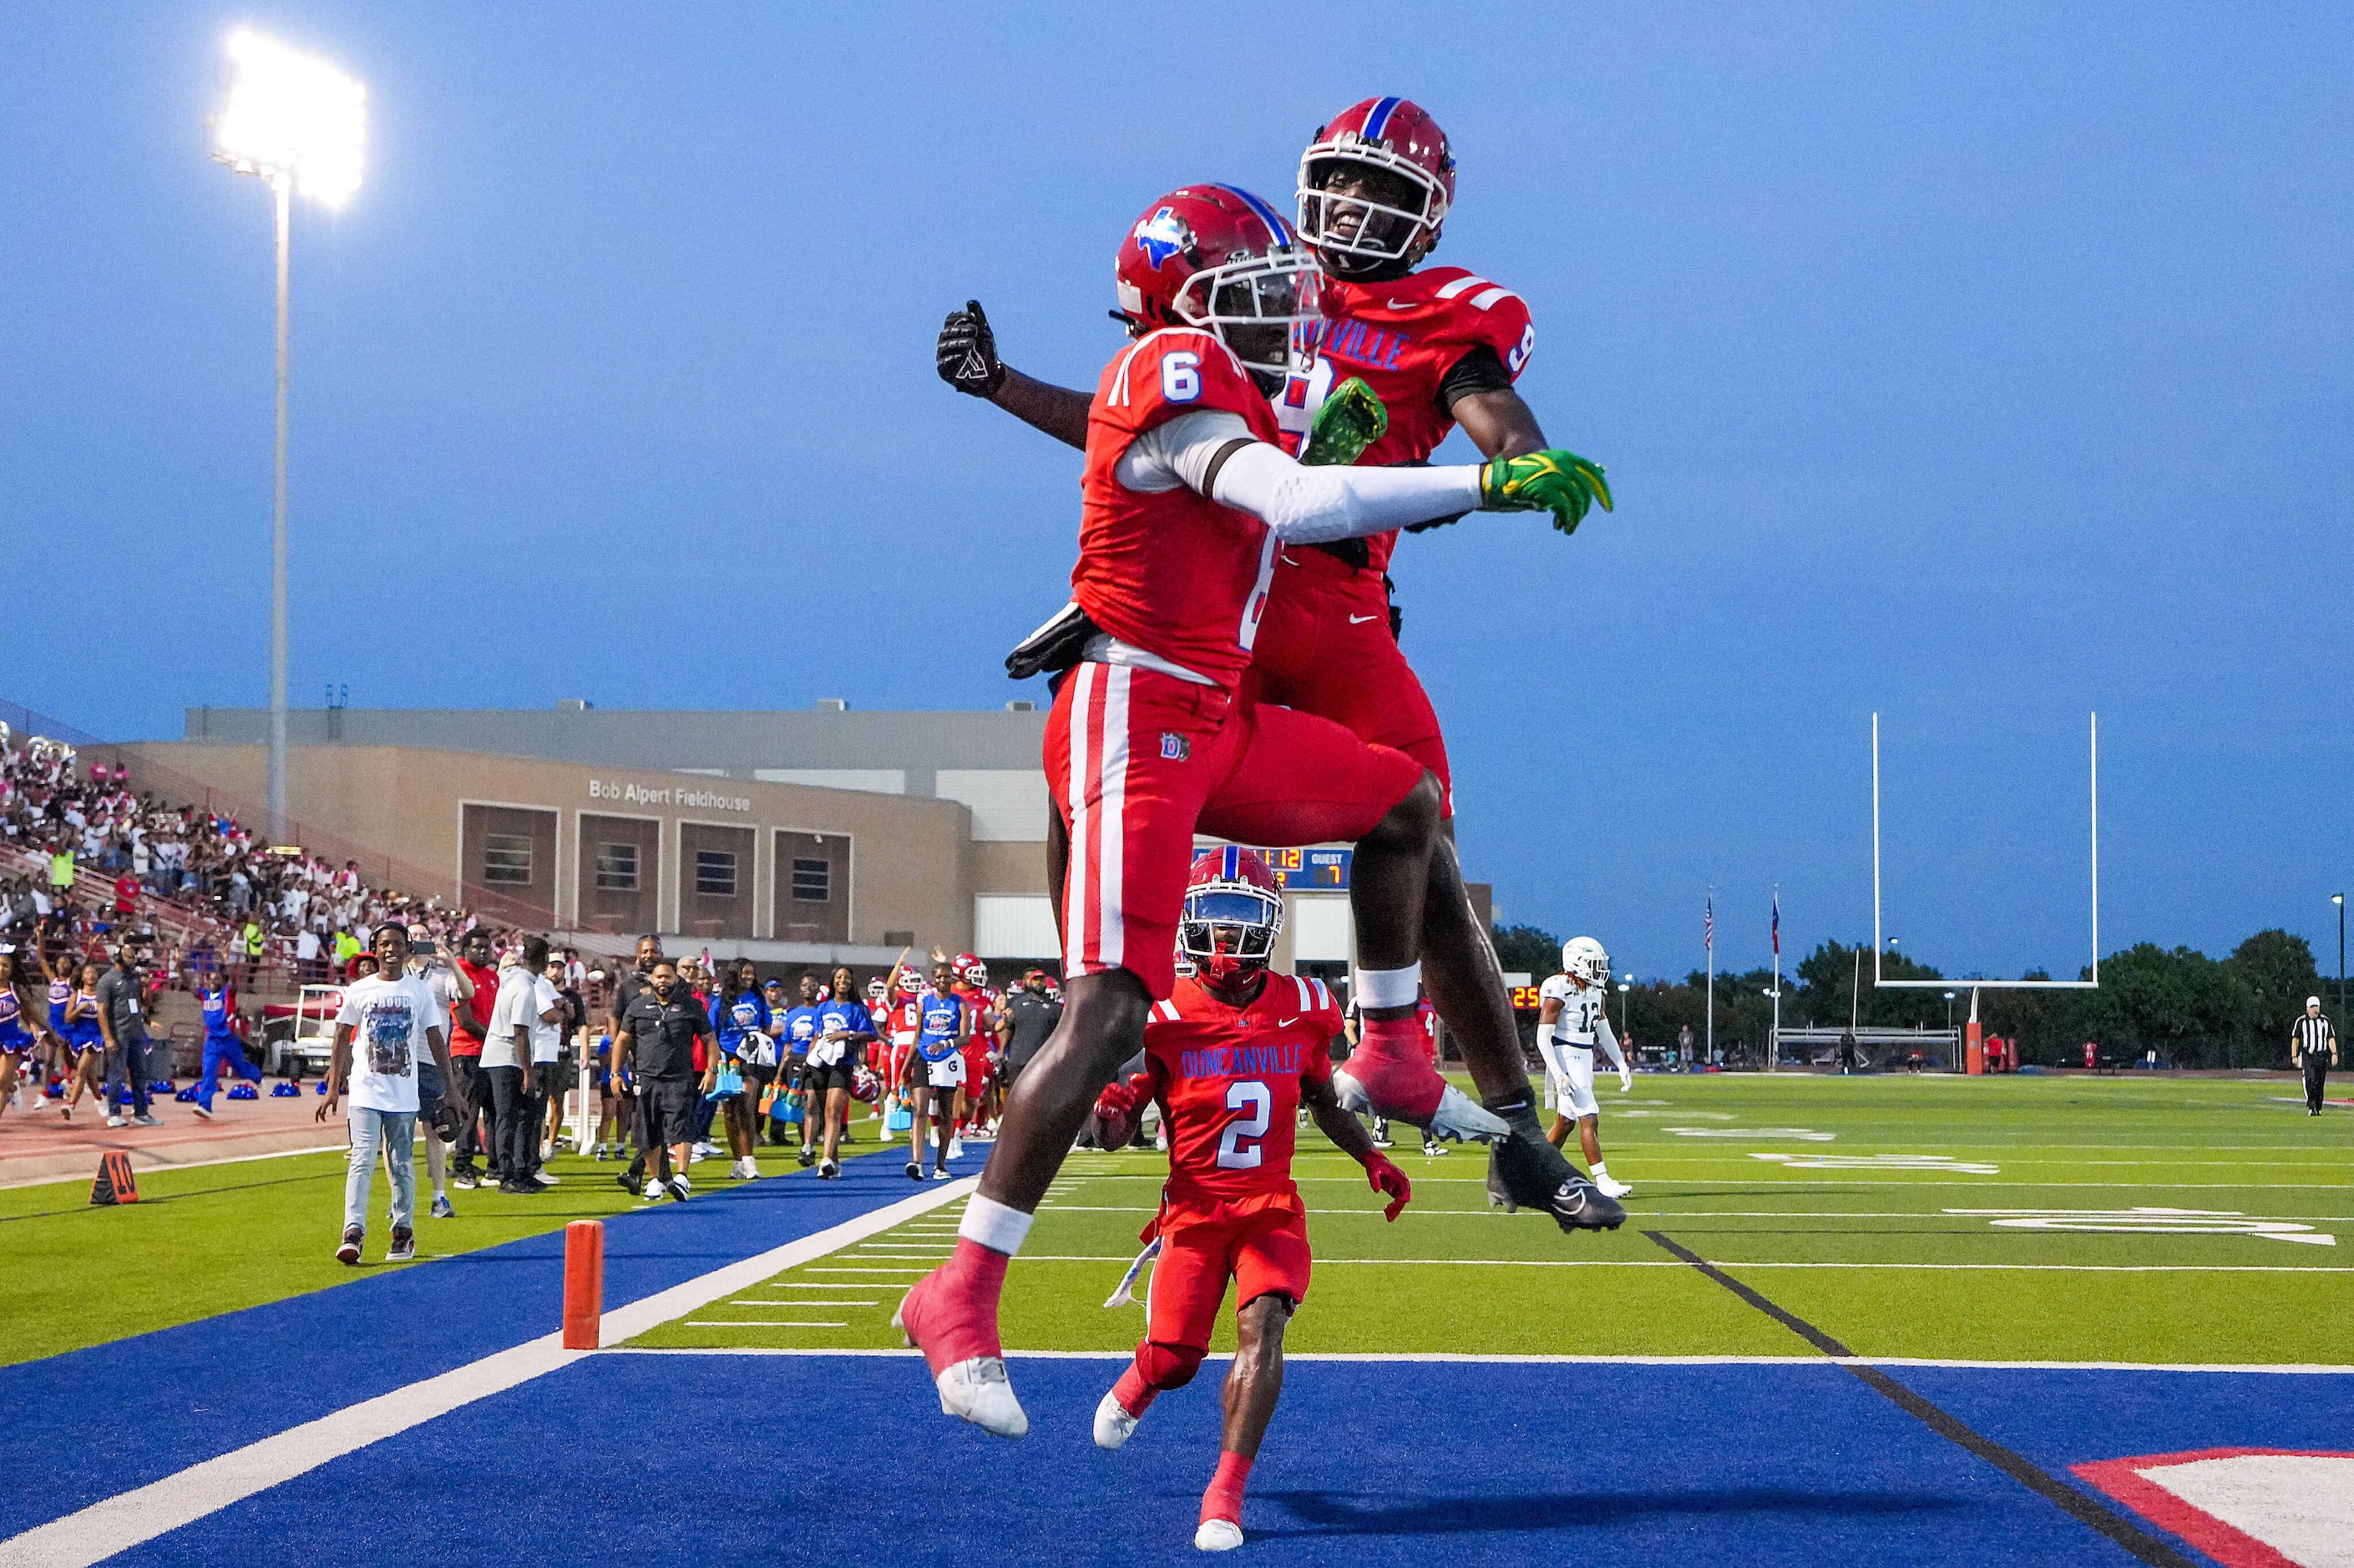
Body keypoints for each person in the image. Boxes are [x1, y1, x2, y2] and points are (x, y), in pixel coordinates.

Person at [898, 183, 1617, 1439]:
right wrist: (1480, 488)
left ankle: (1393, 1049)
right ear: (1179, 309)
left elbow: (1293, 462)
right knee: (1109, 1006)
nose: (1285, 319)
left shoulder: (1224, 372)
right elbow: (1296, 502)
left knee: (1402, 805)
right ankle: (959, 1289)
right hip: (1136, 715)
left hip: (1213, 710)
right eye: (1251, 299)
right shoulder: (1169, 367)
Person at [1082, 851, 1411, 1549]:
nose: (1226, 938)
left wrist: (1370, 1156)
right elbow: (1109, 1135)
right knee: (1176, 1360)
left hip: (1269, 1207)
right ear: (1188, 923)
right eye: (1212, 918)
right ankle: (1142, 1378)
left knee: (1264, 1324)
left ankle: (1224, 1495)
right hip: (1194, 1213)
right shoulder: (1159, 1013)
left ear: (1269, 926)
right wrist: (1108, 1114)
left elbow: (1322, 1099)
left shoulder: (1303, 1007)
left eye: (1240, 920)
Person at [317, 924, 454, 1265]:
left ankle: (403, 1231)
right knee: (362, 1160)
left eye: (396, 944)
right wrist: (334, 1087)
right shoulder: (360, 990)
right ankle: (353, 1232)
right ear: (375, 950)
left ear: (408, 948)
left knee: (402, 1164)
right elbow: (341, 1036)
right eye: (383, 944)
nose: (390, 950)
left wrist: (451, 1089)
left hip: (403, 1095)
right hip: (365, 1092)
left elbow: (436, 1040)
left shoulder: (418, 991)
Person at [1530, 938, 1633, 1200]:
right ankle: (1603, 1180)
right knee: (1589, 1116)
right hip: (1565, 1054)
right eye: (1593, 964)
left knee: (1565, 1123)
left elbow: (1604, 1032)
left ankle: (1533, 1174)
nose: (1599, 969)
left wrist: (1621, 1063)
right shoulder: (1559, 987)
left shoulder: (1595, 990)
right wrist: (1559, 1073)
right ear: (1577, 963)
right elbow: (1543, 1037)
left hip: (1584, 1057)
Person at [613, 959, 716, 1201]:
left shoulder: (690, 1006)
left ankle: (682, 1177)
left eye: (667, 977)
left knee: (681, 1127)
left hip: (679, 1077)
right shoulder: (638, 1006)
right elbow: (622, 1040)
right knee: (648, 1130)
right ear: (652, 979)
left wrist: (712, 1071)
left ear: (675, 980)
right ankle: (655, 1180)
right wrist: (615, 1074)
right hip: (647, 1077)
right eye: (659, 977)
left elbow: (710, 1040)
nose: (663, 981)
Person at [483, 936, 562, 1195]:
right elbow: (520, 1032)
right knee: (508, 1117)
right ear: (542, 959)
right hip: (506, 1057)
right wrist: (527, 1071)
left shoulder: (514, 980)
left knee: (512, 1116)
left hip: (501, 1055)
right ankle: (507, 1176)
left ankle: (520, 1172)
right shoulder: (525, 988)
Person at [406, 924, 472, 1217]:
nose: (418, 940)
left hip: (432, 1062)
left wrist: (452, 962)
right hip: (400, 1063)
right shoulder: (397, 976)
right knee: (396, 1132)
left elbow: (467, 993)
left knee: (436, 1129)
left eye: (423, 936)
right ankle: (401, 1198)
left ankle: (439, 1196)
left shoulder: (442, 975)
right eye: (413, 936)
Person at [807, 965, 876, 1178]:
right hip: (820, 1063)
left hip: (843, 1063)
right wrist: (807, 1064)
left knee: (832, 1112)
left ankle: (825, 1160)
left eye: (847, 978)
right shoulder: (823, 1007)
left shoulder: (857, 1008)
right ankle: (833, 1160)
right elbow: (817, 1036)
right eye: (839, 977)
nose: (843, 981)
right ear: (833, 981)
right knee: (821, 1112)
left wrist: (848, 1034)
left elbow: (871, 1034)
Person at [444, 930, 500, 1188]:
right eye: (477, 947)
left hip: (491, 1052)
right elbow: (464, 1020)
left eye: (486, 948)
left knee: (493, 1110)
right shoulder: (459, 975)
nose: (482, 952)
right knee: (468, 1110)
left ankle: (495, 1165)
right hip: (467, 1051)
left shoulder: (492, 977)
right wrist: (495, 1038)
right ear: (465, 950)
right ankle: (462, 1166)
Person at [907, 959, 968, 1181]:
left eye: (946, 976)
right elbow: (917, 1035)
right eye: (938, 976)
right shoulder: (924, 1002)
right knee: (920, 1109)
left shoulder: (959, 1004)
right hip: (924, 1056)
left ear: (952, 978)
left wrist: (946, 1044)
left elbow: (965, 1036)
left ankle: (940, 1164)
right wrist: (906, 1065)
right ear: (933, 979)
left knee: (945, 1113)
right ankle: (916, 1162)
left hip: (948, 1058)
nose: (942, 980)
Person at [708, 959, 768, 1181]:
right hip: (728, 1058)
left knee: (746, 1105)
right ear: (735, 975)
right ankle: (736, 1163)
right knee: (730, 1111)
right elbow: (712, 1034)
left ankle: (749, 1160)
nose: (749, 977)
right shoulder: (720, 1003)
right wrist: (715, 1063)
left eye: (752, 973)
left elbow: (766, 1026)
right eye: (745, 973)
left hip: (751, 1057)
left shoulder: (758, 998)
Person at [95, 938, 159, 1128]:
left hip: (136, 1034)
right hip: (119, 1035)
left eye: (133, 957)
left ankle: (141, 1112)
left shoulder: (134, 979)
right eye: (128, 957)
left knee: (140, 1073)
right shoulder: (107, 981)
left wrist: (147, 989)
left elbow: (139, 1006)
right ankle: (114, 1112)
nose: (132, 960)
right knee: (116, 1074)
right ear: (118, 957)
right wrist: (108, 1037)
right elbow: (101, 1011)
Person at [189, 969, 261, 1120]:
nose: (214, 981)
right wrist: (178, 966)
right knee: (208, 1071)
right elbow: (187, 984)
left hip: (228, 1039)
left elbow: (233, 983)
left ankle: (257, 1076)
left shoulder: (227, 993)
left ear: (222, 981)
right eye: (211, 979)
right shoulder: (204, 995)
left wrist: (228, 964)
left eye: (217, 979)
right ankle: (204, 1105)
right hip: (212, 1041)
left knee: (240, 1067)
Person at [995, 969, 1062, 1097]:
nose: (1039, 982)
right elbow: (1009, 1029)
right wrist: (1001, 1051)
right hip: (1018, 1060)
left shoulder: (1055, 1008)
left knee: (1040, 1097)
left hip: (1042, 1061)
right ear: (1028, 982)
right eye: (1035, 979)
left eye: (1041, 979)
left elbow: (1059, 1035)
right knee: (1014, 1097)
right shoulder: (1017, 1004)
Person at [2293, 995, 2337, 1115]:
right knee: (2310, 1079)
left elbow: (2330, 1038)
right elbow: (2295, 1039)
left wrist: (2334, 1053)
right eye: (2312, 1006)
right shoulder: (2301, 1021)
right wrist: (2294, 1056)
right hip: (2308, 1054)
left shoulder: (2325, 1021)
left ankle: (2318, 1107)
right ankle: (2311, 1106)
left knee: (2320, 1081)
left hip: (2321, 1055)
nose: (2315, 1009)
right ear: (2307, 1008)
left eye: (2317, 1006)